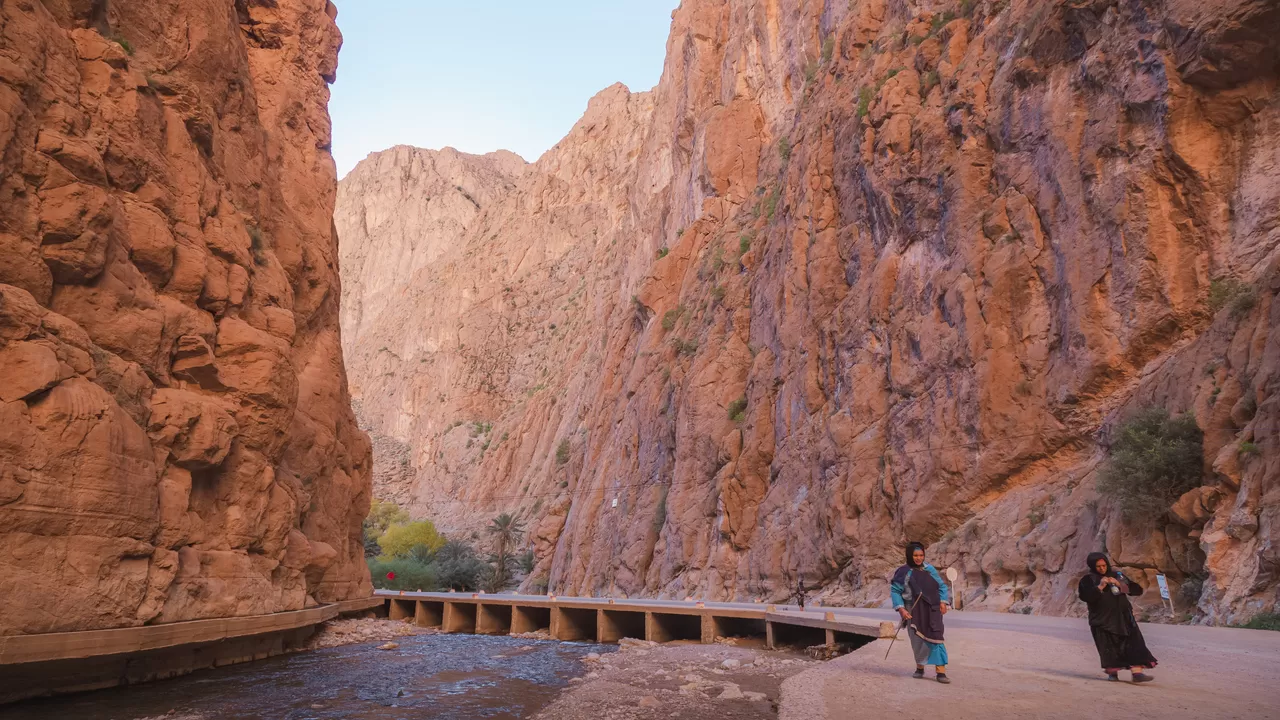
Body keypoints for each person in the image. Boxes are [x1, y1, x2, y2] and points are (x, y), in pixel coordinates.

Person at [1078, 552, 1158, 682]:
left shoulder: (1117, 575)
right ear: (1093, 566)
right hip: (1102, 620)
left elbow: (1136, 590)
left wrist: (1120, 584)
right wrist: (1100, 586)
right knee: (1108, 646)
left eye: (1104, 565)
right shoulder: (1087, 580)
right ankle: (1113, 673)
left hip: (1124, 617)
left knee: (1134, 643)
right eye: (1098, 566)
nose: (1102, 569)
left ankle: (1137, 673)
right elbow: (1086, 597)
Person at [890, 542, 951, 683]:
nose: (919, 558)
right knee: (917, 640)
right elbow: (895, 591)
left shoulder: (929, 570)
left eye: (921, 555)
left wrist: (943, 601)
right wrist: (901, 609)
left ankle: (940, 672)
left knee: (937, 637)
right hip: (913, 609)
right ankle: (920, 667)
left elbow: (941, 586)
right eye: (915, 555)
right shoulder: (903, 572)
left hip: (932, 609)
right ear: (909, 555)